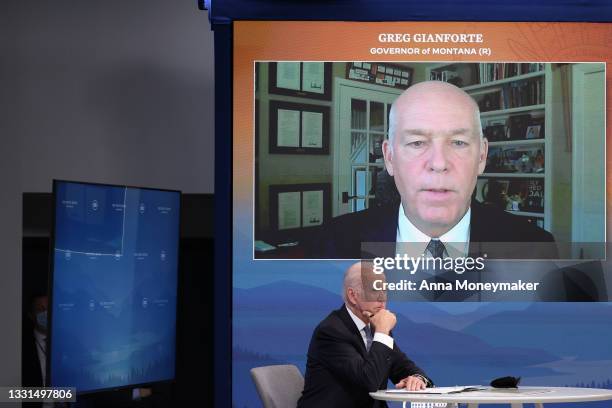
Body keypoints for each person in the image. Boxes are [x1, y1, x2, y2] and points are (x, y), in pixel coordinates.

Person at [312, 81, 555, 259]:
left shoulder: (535, 248)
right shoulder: (333, 243)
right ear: (389, 157)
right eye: (417, 143)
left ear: (482, 156)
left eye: (458, 143)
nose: (439, 163)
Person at [297, 263, 432, 408]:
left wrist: (417, 379)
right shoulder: (331, 331)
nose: (382, 298)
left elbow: (405, 368)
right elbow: (369, 382)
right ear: (353, 295)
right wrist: (382, 332)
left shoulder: (377, 328)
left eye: (384, 290)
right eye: (375, 290)